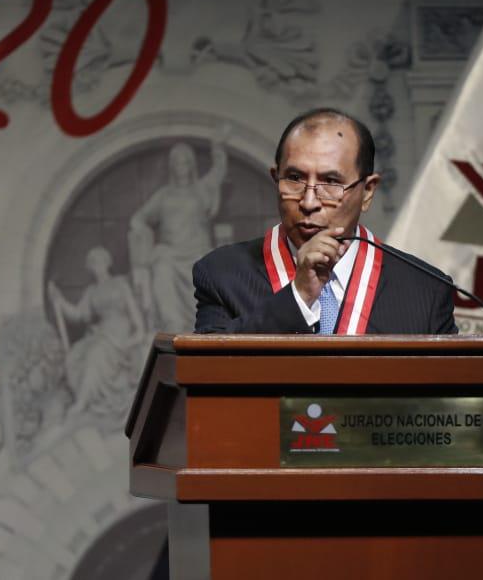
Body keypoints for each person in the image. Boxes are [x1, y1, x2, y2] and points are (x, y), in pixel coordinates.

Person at [192, 108, 456, 334]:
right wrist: (299, 297)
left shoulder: (426, 291)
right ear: (275, 179)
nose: (308, 202)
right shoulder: (222, 275)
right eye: (294, 178)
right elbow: (208, 368)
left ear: (367, 192)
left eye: (331, 182)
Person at [129, 134, 228, 332]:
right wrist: (142, 232)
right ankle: (171, 322)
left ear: (191, 165)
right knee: (161, 266)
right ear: (171, 166)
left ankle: (202, 323)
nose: (180, 166)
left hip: (197, 251)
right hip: (171, 253)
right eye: (176, 162)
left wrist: (218, 148)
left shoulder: (201, 188)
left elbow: (218, 172)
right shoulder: (164, 195)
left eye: (184, 161)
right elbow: (138, 218)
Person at [48, 247, 147, 419]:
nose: (96, 266)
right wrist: (60, 300)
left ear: (107, 263)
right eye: (93, 263)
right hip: (101, 332)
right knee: (76, 355)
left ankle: (82, 402)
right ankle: (85, 399)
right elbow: (77, 314)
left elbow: (138, 322)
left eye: (99, 261)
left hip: (119, 334)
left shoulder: (120, 284)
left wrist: (134, 339)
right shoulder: (91, 291)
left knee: (96, 354)